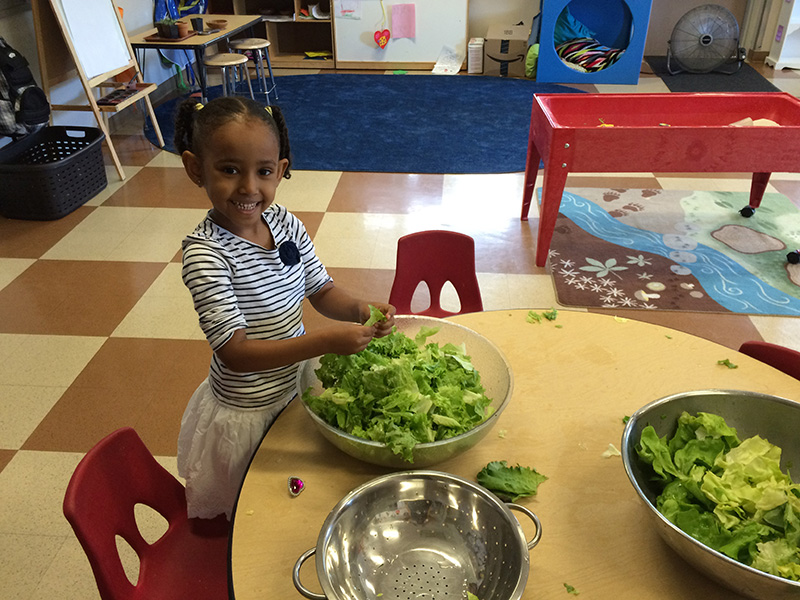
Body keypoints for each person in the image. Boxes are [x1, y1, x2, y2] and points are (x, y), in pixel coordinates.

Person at [173, 96, 395, 519]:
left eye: (264, 171)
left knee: (286, 494)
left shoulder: (285, 223)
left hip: (290, 392)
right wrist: (324, 342)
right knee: (247, 507)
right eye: (229, 169)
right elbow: (235, 353)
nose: (249, 188)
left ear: (282, 169)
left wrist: (360, 309)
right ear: (195, 168)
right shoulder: (206, 255)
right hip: (247, 411)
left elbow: (321, 289)